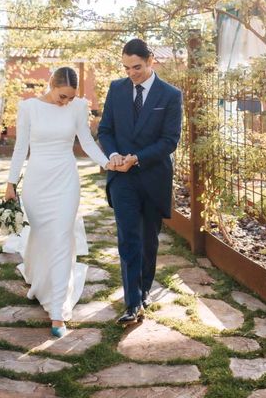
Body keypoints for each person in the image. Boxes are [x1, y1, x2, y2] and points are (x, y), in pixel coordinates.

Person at [4, 67, 111, 337]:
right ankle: (41, 284)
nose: (65, 102)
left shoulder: (77, 107)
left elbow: (86, 140)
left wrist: (107, 163)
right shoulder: (29, 108)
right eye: (62, 96)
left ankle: (58, 312)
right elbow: (21, 147)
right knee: (41, 238)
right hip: (37, 183)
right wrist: (10, 183)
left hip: (66, 180)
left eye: (70, 97)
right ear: (51, 85)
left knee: (63, 238)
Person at [98, 38, 183, 325]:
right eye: (126, 67)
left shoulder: (170, 95)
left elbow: (169, 141)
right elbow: (106, 129)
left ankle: (144, 289)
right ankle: (132, 303)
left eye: (136, 67)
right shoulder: (116, 89)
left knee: (148, 240)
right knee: (128, 239)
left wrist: (137, 157)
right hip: (121, 178)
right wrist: (113, 154)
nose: (131, 73)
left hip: (152, 176)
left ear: (150, 62)